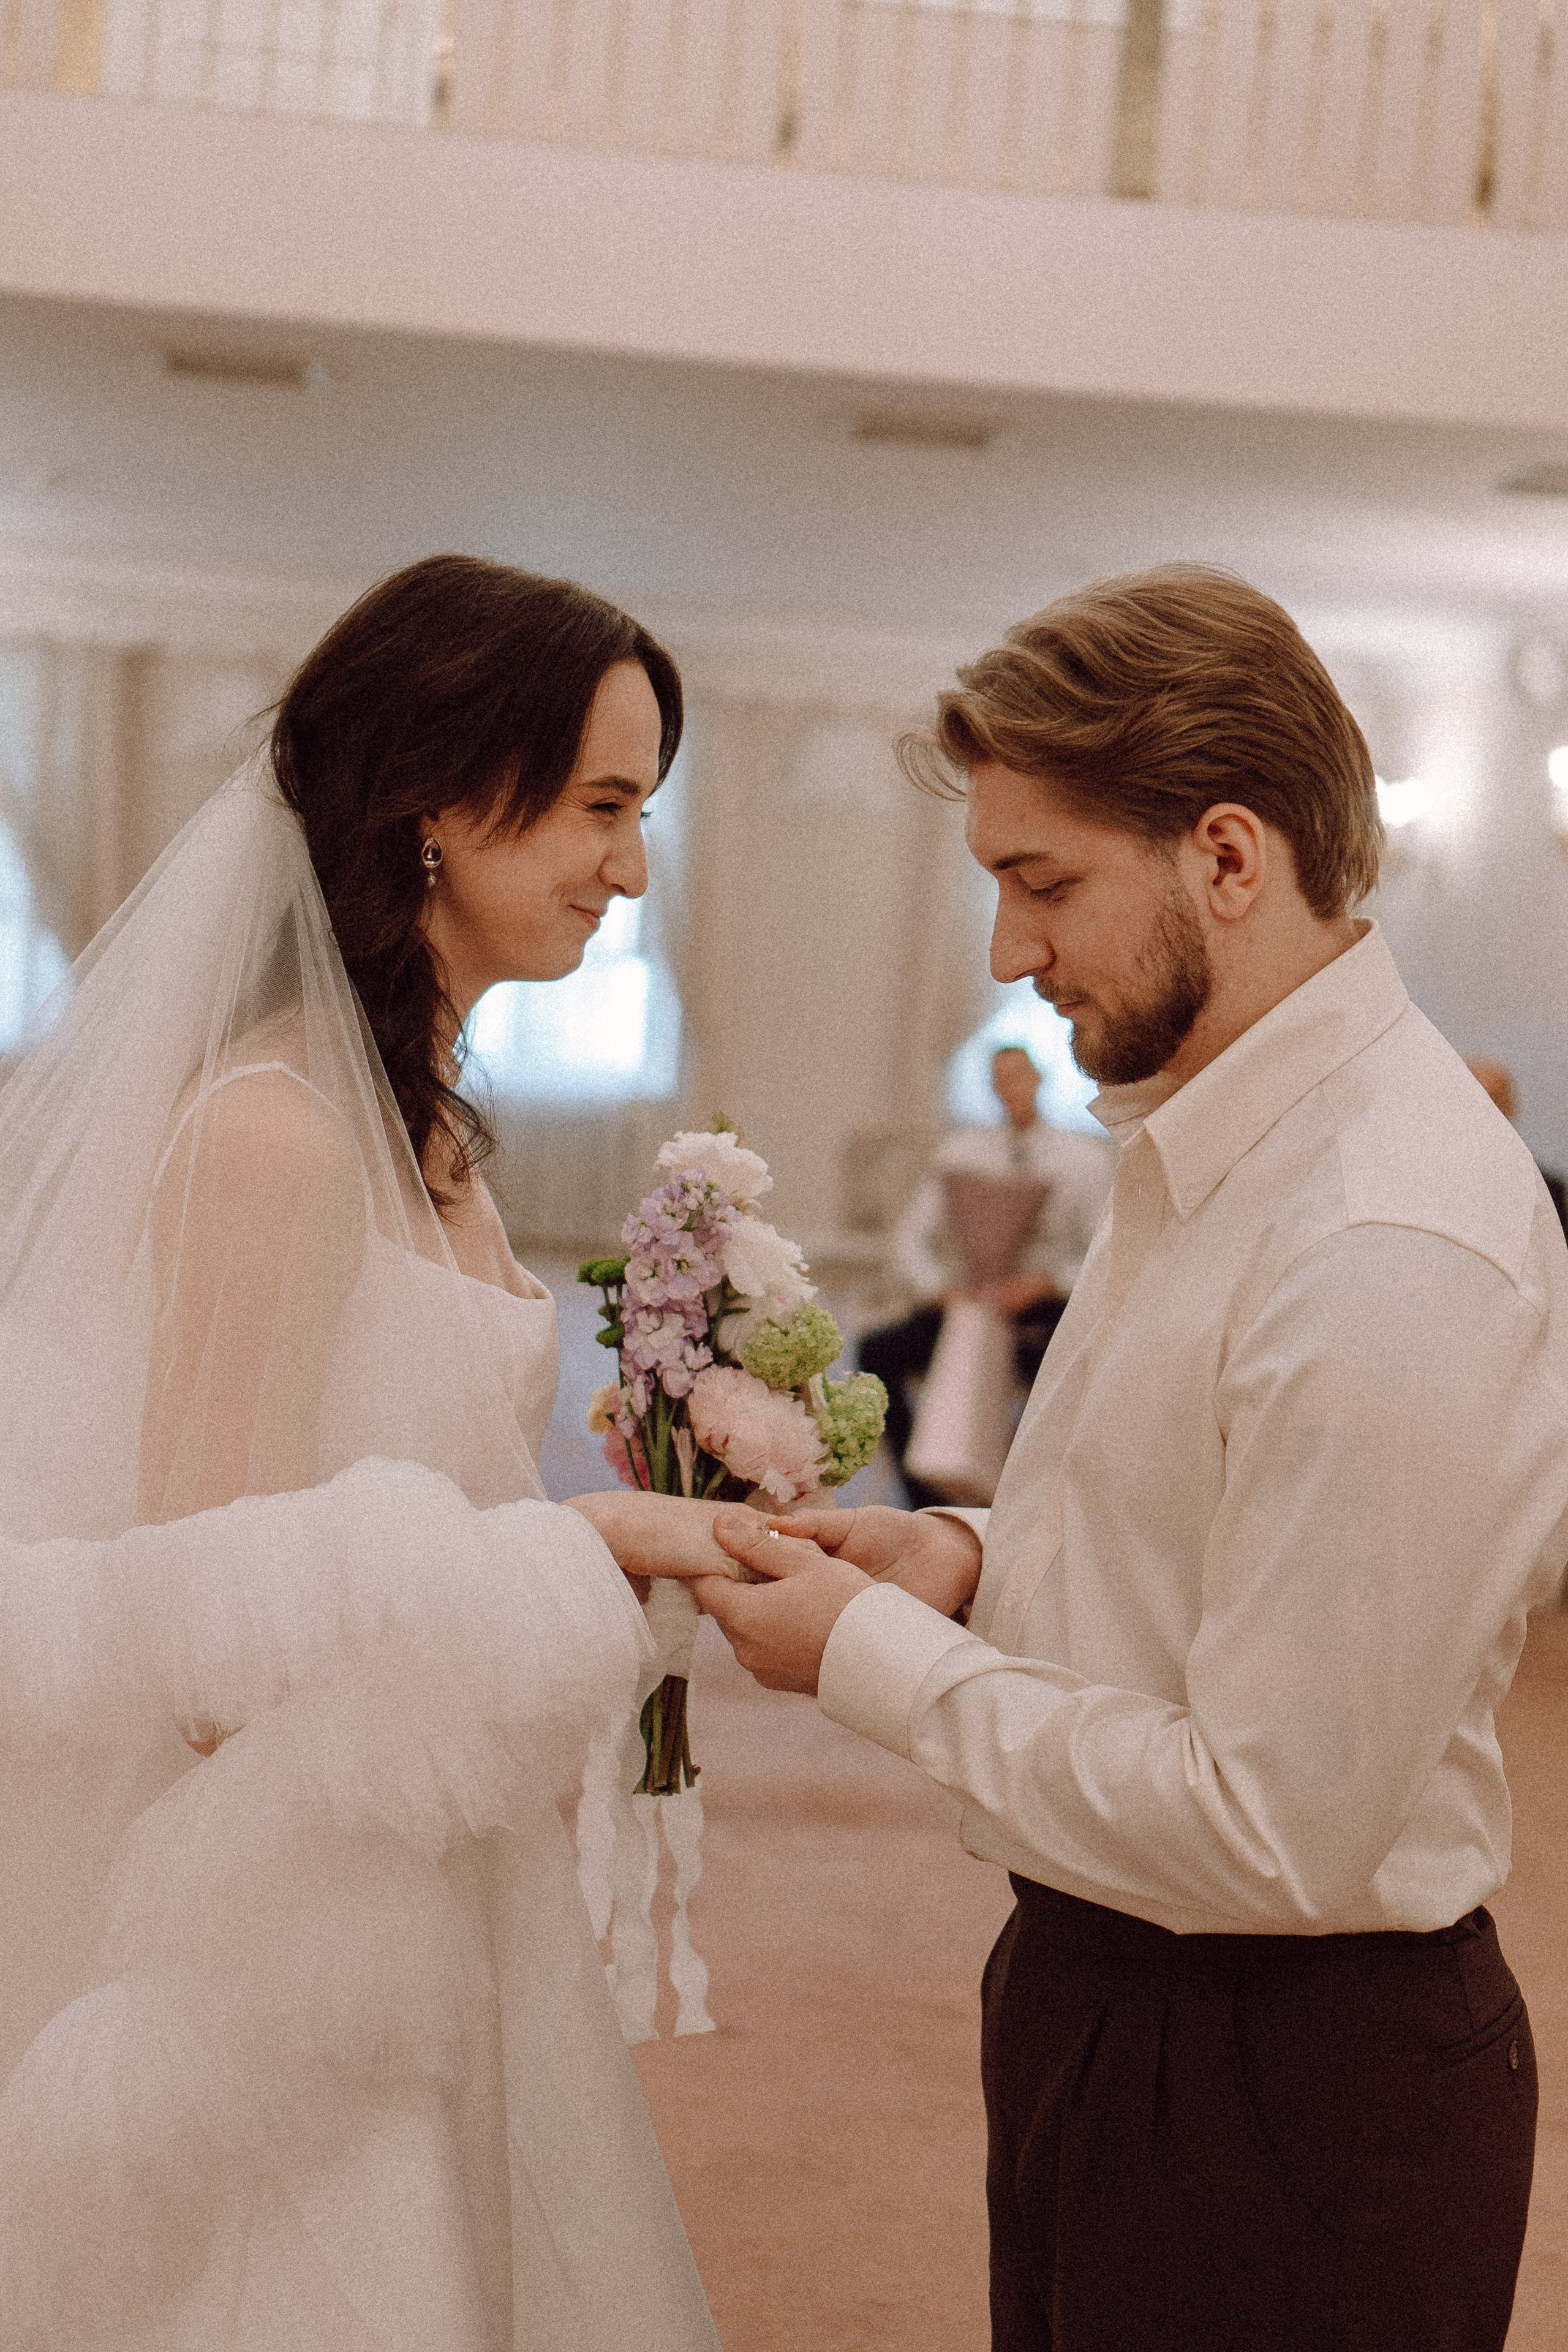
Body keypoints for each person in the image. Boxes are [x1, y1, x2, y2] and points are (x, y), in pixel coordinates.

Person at [696, 565, 1566, 2351]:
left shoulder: (1381, 1230)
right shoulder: (1210, 1135)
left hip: (1289, 2071)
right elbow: (1206, 1527)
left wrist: (877, 1661)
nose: (1010, 955)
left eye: (1042, 882)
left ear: (1228, 857)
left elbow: (1275, 1820)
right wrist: (976, 1560)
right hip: (1126, 1996)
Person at [0, 554, 731, 2352]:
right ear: (432, 798)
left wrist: (618, 1507)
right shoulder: (275, 1137)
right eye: (601, 807)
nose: (630, 867)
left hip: (422, 1848)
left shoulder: (432, 1137)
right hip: (281, 1928)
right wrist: (577, 1560)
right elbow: (199, 1648)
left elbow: (378, 1503)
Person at [858, 1046, 1111, 1504]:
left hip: (1038, 1308)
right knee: (878, 1351)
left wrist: (1044, 1283)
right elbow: (911, 1239)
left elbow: (1102, 1252)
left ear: (1038, 1080)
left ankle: (1019, 1498)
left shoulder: (1084, 1160)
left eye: (1019, 1075)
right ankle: (928, 1497)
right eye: (999, 1078)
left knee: (1067, 1368)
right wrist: (942, 1290)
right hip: (965, 1305)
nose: (1009, 1086)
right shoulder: (961, 1153)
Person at [1466, 1056, 1568, 1242]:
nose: (1487, 1110)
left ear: (1511, 1106)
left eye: (1494, 1099)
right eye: (1475, 1097)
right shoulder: (1441, 1183)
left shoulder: (1546, 1190)